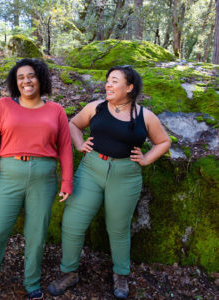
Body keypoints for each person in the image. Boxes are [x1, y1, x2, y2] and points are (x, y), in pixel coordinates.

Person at [47, 65, 171, 299]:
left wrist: (145, 159)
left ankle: (121, 275)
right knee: (73, 222)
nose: (108, 85)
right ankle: (69, 272)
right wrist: (78, 144)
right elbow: (73, 124)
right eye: (108, 81)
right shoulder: (96, 107)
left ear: (130, 87)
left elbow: (163, 142)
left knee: (118, 229)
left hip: (126, 176)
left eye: (115, 81)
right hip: (91, 170)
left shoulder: (144, 116)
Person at [0, 58, 73, 300]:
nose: (26, 81)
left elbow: (65, 147)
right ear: (15, 82)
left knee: (37, 234)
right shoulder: (3, 106)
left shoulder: (56, 110)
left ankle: (32, 284)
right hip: (9, 175)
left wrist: (66, 181)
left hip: (44, 179)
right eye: (20, 77)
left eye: (31, 76)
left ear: (40, 78)